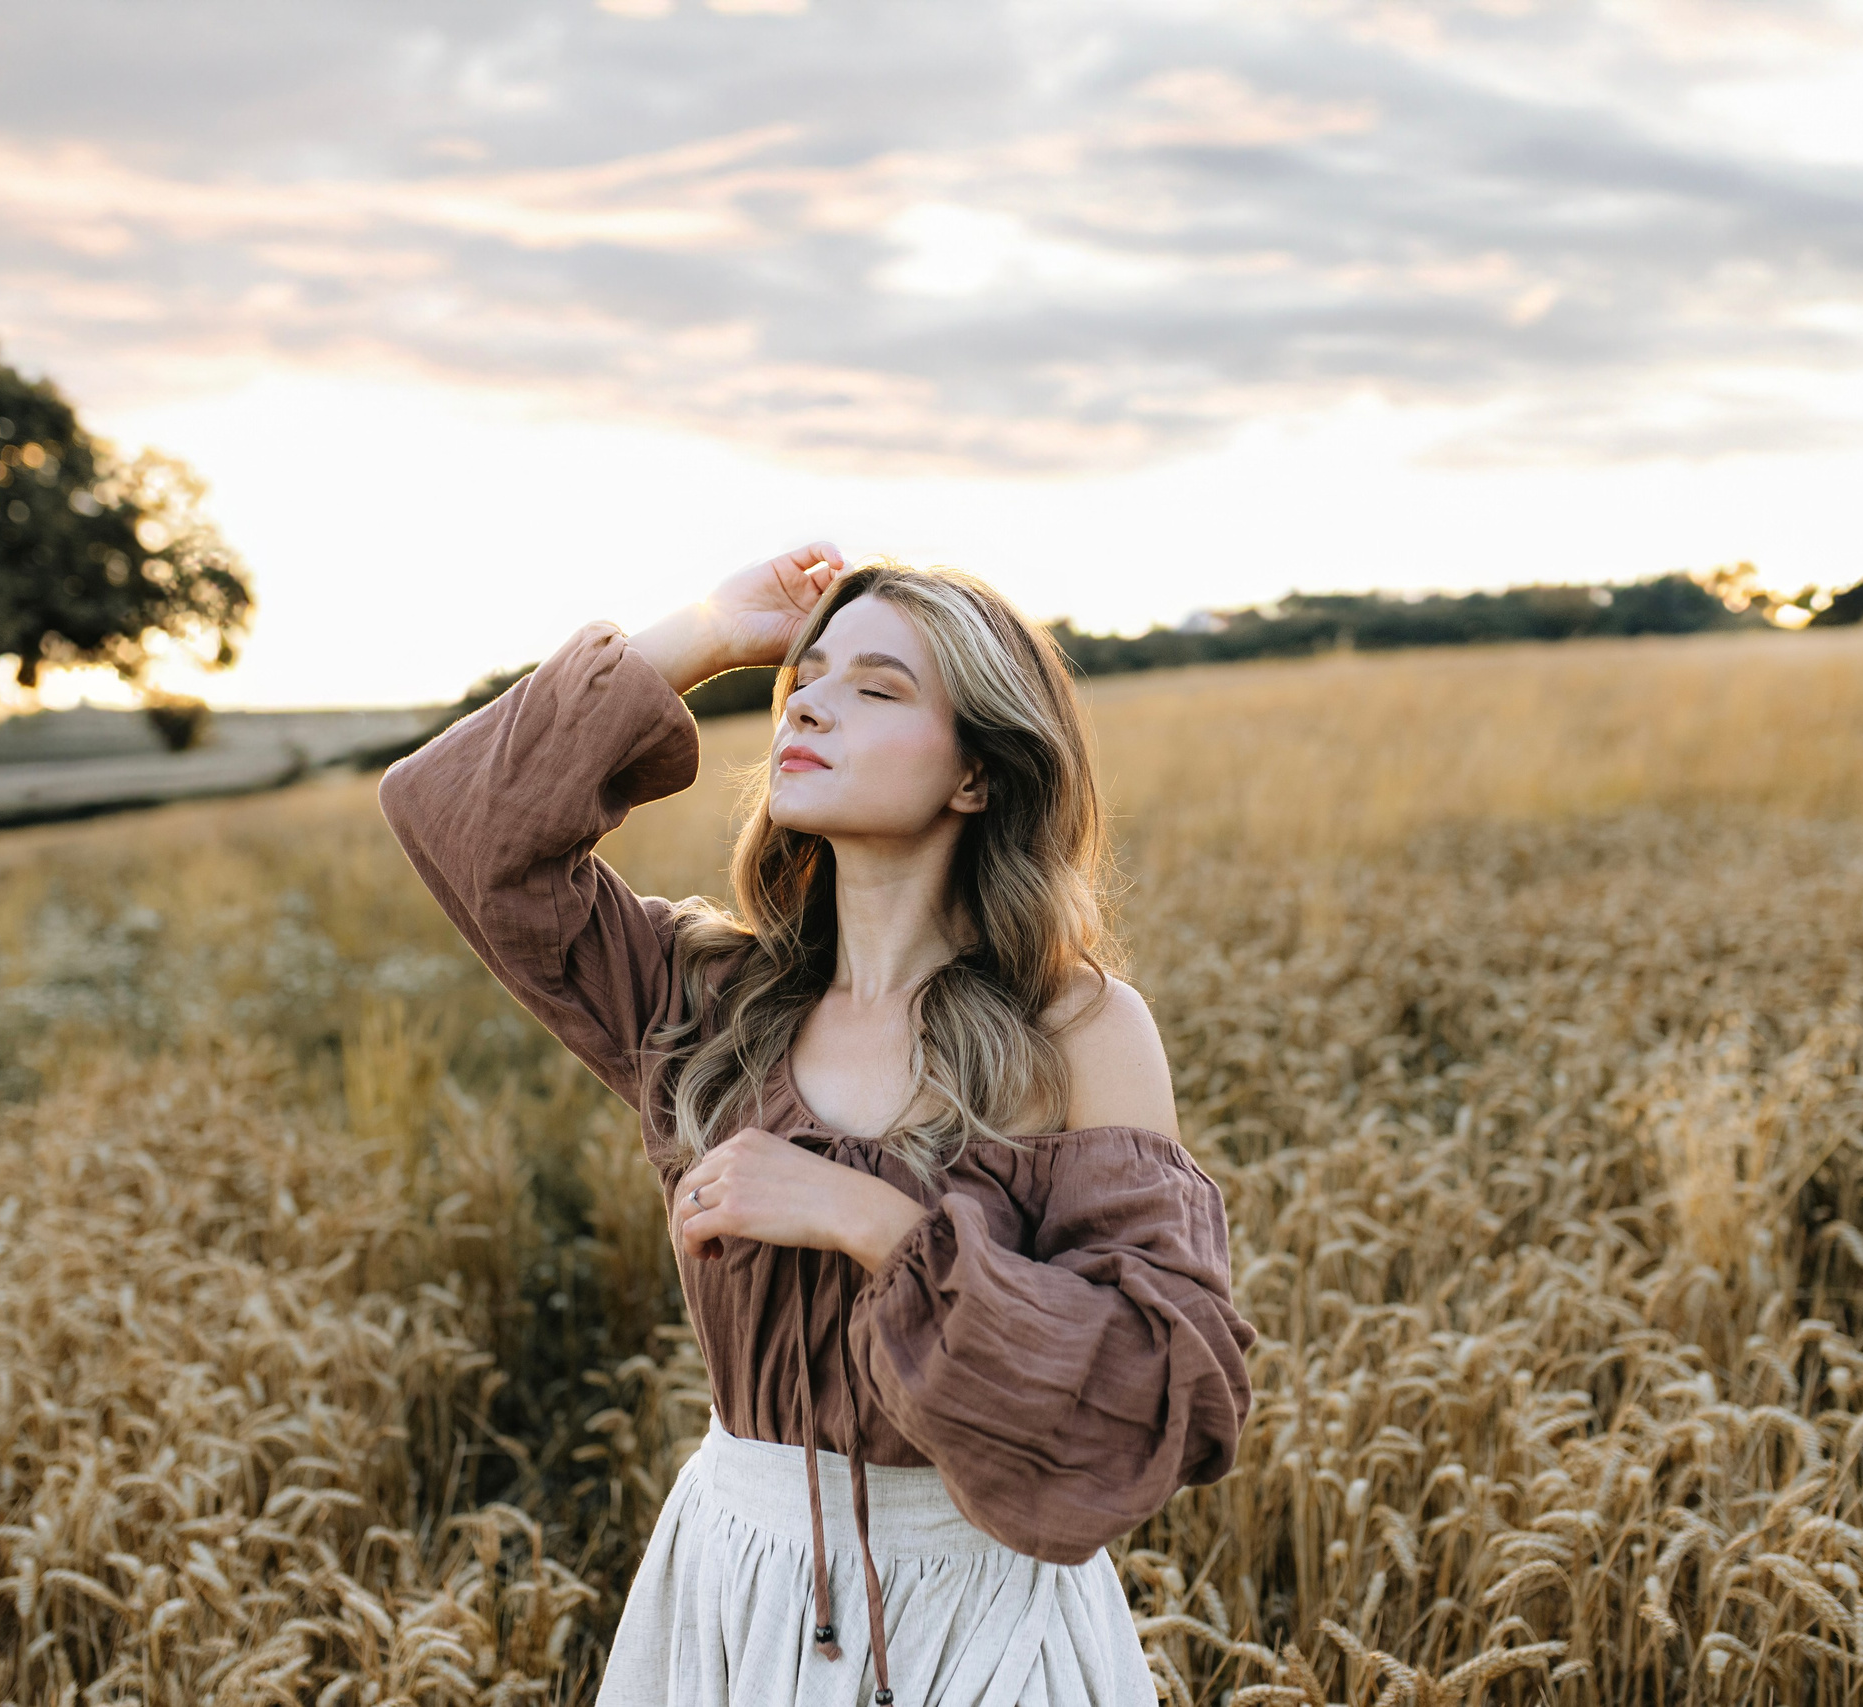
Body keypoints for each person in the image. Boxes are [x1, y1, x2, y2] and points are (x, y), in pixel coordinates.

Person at [378, 543, 1255, 1705]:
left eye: (879, 688)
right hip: (731, 1595)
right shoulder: (705, 1005)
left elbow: (1166, 1393)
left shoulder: (1078, 1029)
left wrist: (880, 1226)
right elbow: (455, 820)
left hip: (976, 1612)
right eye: (807, 679)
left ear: (977, 776)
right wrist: (705, 633)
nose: (813, 706)